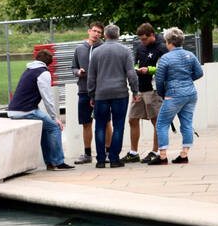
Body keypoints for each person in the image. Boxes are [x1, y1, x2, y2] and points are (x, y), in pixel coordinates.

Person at [7, 46, 72, 171]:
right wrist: (55, 118)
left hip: (15, 109)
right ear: (49, 63)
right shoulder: (43, 73)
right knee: (54, 127)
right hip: (26, 111)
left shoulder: (28, 70)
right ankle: (58, 162)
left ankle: (50, 163)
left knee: (45, 129)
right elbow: (47, 98)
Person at [147, 27, 204, 165]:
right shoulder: (190, 55)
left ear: (168, 42)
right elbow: (199, 73)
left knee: (161, 124)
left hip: (173, 94)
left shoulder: (165, 58)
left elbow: (159, 80)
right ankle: (184, 154)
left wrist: (162, 93)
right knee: (187, 123)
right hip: (190, 93)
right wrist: (187, 80)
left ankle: (162, 156)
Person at [85, 23, 138, 168]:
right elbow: (131, 74)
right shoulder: (125, 51)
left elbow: (91, 77)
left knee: (100, 126)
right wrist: (135, 91)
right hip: (120, 93)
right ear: (118, 36)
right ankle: (114, 158)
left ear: (105, 35)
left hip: (101, 94)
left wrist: (91, 95)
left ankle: (101, 160)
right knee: (118, 125)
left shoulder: (96, 52)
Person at [126, 22, 167, 162]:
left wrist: (149, 70)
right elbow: (136, 62)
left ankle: (155, 151)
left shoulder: (162, 47)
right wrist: (137, 68)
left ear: (152, 35)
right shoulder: (140, 47)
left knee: (156, 121)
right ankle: (133, 152)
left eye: (144, 39)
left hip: (154, 89)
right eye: (140, 39)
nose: (142, 42)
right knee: (132, 119)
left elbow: (164, 68)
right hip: (140, 88)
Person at [71, 20, 105, 164]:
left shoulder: (103, 48)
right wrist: (78, 72)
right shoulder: (79, 49)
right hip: (84, 90)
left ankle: (107, 152)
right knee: (86, 123)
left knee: (105, 122)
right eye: (94, 31)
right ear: (89, 31)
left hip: (101, 91)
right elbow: (73, 68)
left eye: (99, 32)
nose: (96, 34)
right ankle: (87, 154)